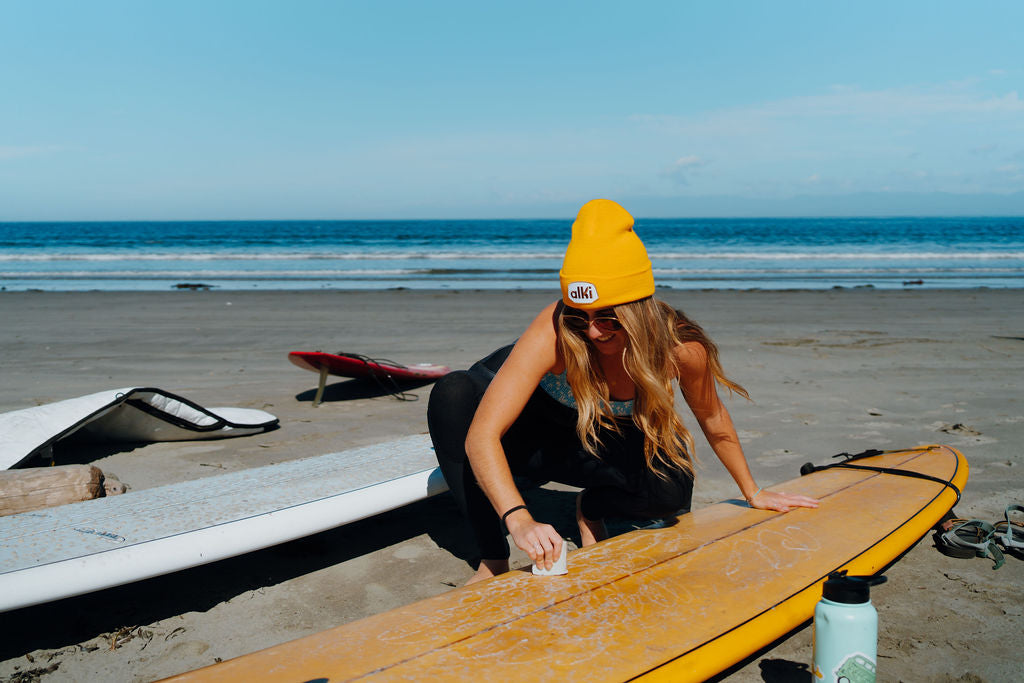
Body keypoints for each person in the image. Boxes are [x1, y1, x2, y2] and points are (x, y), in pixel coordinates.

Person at [427, 199, 818, 584]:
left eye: (609, 319)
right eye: (581, 318)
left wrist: (753, 491)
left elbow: (712, 418)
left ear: (640, 310)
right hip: (525, 433)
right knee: (453, 392)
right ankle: (492, 557)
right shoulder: (555, 328)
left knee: (671, 490)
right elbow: (482, 435)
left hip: (586, 432)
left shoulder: (680, 349)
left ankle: (589, 507)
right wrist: (520, 519)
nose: (594, 332)